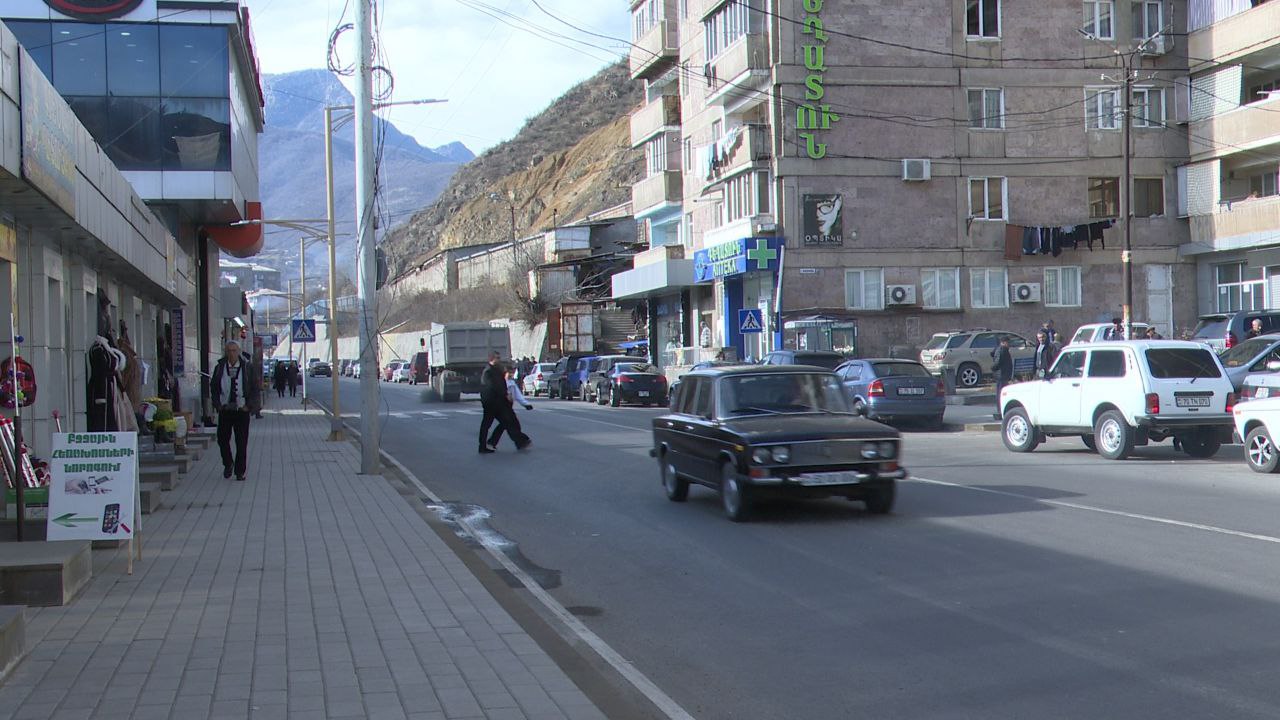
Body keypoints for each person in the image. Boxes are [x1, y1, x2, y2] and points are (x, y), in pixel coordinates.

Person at [210, 340, 259, 481]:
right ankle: (228, 463)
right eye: (229, 351)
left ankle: (240, 471)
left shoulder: (247, 367)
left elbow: (255, 388)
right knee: (222, 439)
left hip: (241, 410)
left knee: (241, 442)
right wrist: (217, 405)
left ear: (239, 352)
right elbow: (214, 387)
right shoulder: (220, 367)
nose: (231, 354)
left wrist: (249, 406)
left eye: (234, 351)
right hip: (225, 410)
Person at [479, 351, 527, 453]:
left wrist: (506, 394)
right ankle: (482, 446)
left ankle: (520, 441)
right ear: (491, 359)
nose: (499, 359)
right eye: (497, 358)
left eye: (499, 357)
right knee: (487, 425)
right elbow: (493, 387)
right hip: (490, 403)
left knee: (507, 422)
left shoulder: (497, 370)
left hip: (499, 403)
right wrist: (505, 394)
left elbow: (502, 384)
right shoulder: (488, 372)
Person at [487, 369, 534, 449]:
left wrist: (526, 404)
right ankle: (522, 441)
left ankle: (491, 442)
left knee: (508, 424)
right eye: (509, 373)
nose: (511, 375)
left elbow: (518, 395)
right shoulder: (498, 382)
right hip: (498, 407)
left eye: (512, 373)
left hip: (507, 407)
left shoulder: (511, 383)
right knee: (510, 424)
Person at [991, 336, 1014, 421]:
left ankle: (1001, 410)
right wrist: (993, 368)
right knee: (1001, 393)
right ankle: (1000, 411)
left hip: (1003, 375)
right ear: (1003, 342)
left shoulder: (1003, 349)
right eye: (1008, 342)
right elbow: (998, 362)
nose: (1009, 344)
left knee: (1001, 393)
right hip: (1002, 375)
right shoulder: (1002, 350)